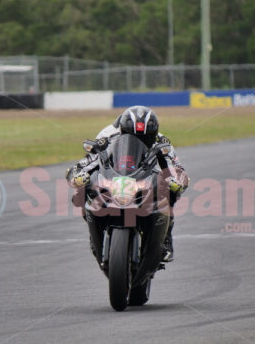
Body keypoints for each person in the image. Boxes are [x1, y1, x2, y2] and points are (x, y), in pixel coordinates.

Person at [66, 106, 188, 262]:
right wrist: (78, 176)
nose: (139, 140)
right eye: (132, 135)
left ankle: (166, 238)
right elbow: (89, 160)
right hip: (114, 172)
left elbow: (177, 168)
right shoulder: (107, 134)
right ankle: (94, 232)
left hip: (145, 174)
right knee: (84, 188)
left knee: (171, 191)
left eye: (145, 138)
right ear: (123, 131)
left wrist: (178, 181)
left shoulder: (162, 141)